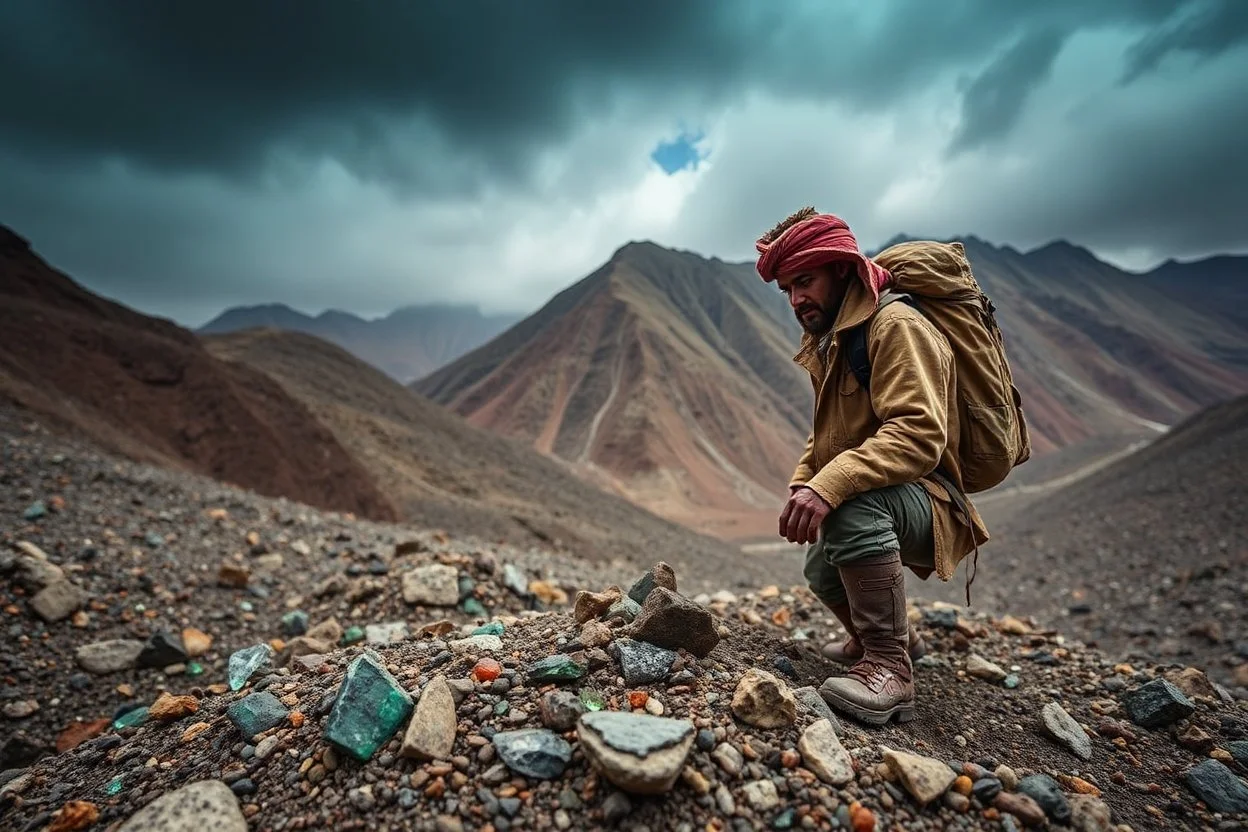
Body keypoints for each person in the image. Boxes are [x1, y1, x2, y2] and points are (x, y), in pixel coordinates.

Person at [754, 208, 989, 726]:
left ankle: (890, 667)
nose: (795, 300)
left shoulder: (895, 326)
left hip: (931, 498)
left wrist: (830, 487)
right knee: (821, 567)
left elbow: (919, 434)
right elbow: (828, 431)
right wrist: (804, 481)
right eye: (787, 289)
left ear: (841, 269)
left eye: (805, 282)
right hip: (891, 490)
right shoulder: (835, 335)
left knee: (849, 510)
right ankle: (881, 639)